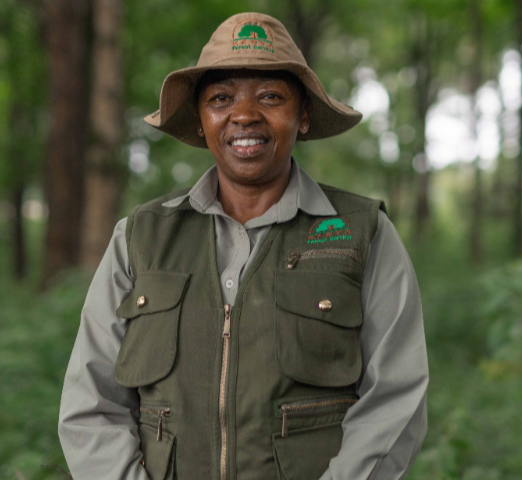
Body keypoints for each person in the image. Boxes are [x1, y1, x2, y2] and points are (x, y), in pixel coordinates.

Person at [58, 11, 428, 480]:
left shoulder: (362, 232)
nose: (245, 115)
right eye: (221, 97)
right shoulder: (141, 238)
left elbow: (396, 398)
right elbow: (91, 404)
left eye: (271, 96)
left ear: (305, 114)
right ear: (200, 117)